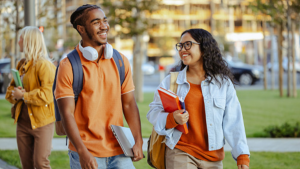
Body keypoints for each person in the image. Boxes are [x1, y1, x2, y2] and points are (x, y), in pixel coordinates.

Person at [54, 4, 143, 169]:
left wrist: (138, 140)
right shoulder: (69, 66)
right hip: (87, 151)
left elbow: (129, 103)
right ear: (81, 29)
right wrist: (82, 152)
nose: (104, 26)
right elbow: (67, 114)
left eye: (105, 20)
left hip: (120, 149)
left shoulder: (120, 60)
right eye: (96, 22)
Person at [147, 29, 250, 169]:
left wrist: (242, 156)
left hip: (213, 157)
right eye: (180, 46)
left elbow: (234, 120)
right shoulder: (171, 82)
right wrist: (172, 119)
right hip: (181, 151)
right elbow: (153, 112)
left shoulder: (223, 84)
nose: (183, 49)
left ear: (204, 47)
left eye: (188, 44)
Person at [5, 26, 56, 169]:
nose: (18, 41)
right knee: (26, 165)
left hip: (42, 123)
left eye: (20, 38)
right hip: (22, 122)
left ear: (28, 41)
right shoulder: (22, 64)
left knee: (40, 163)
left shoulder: (44, 65)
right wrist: (16, 95)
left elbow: (48, 94)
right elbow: (10, 91)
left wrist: (24, 95)